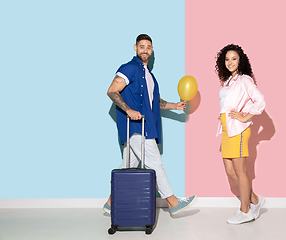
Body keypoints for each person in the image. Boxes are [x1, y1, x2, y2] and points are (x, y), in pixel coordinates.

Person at [104, 34, 197, 215]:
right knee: (155, 163)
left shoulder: (149, 75)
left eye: (148, 47)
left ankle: (110, 203)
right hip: (138, 127)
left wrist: (174, 106)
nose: (145, 50)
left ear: (152, 50)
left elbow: (154, 101)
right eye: (142, 46)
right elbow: (112, 91)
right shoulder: (129, 68)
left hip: (144, 127)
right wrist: (129, 110)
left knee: (127, 168)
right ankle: (172, 202)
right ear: (135, 48)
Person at [215, 44, 266, 224]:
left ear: (240, 60)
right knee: (230, 171)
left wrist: (245, 117)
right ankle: (255, 201)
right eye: (227, 59)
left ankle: (245, 211)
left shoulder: (245, 80)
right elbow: (227, 105)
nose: (230, 62)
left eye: (234, 58)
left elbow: (260, 101)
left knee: (240, 171)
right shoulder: (228, 82)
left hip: (238, 130)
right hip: (226, 130)